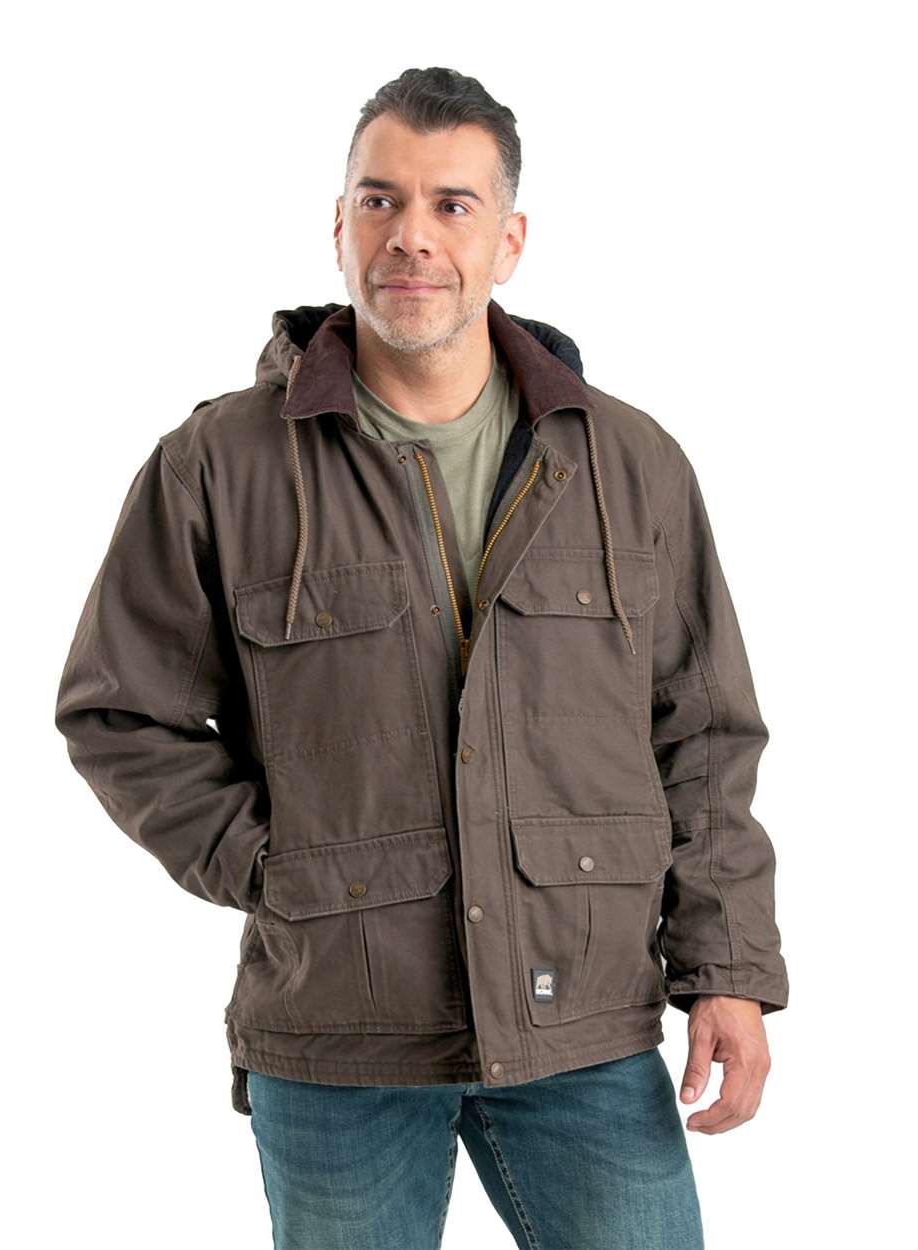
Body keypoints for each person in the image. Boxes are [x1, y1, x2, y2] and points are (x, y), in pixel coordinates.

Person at [55, 65, 789, 1250]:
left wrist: (728, 969)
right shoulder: (219, 467)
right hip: (339, 1034)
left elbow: (701, 734)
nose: (411, 235)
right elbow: (118, 713)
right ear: (338, 226)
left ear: (509, 240)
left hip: (585, 1026)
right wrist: (273, 865)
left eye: (451, 204)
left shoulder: (628, 463)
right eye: (380, 199)